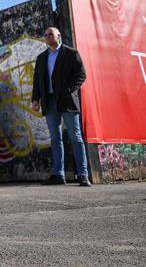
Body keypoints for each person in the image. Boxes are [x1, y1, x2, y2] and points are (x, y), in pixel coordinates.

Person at [32, 27, 90, 187]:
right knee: (55, 139)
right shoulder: (41, 58)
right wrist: (35, 99)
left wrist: (68, 90)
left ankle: (83, 174)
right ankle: (59, 174)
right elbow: (37, 81)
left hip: (67, 101)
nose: (47, 37)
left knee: (75, 138)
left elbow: (81, 74)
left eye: (50, 34)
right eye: (45, 35)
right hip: (49, 101)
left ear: (59, 35)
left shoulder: (71, 53)